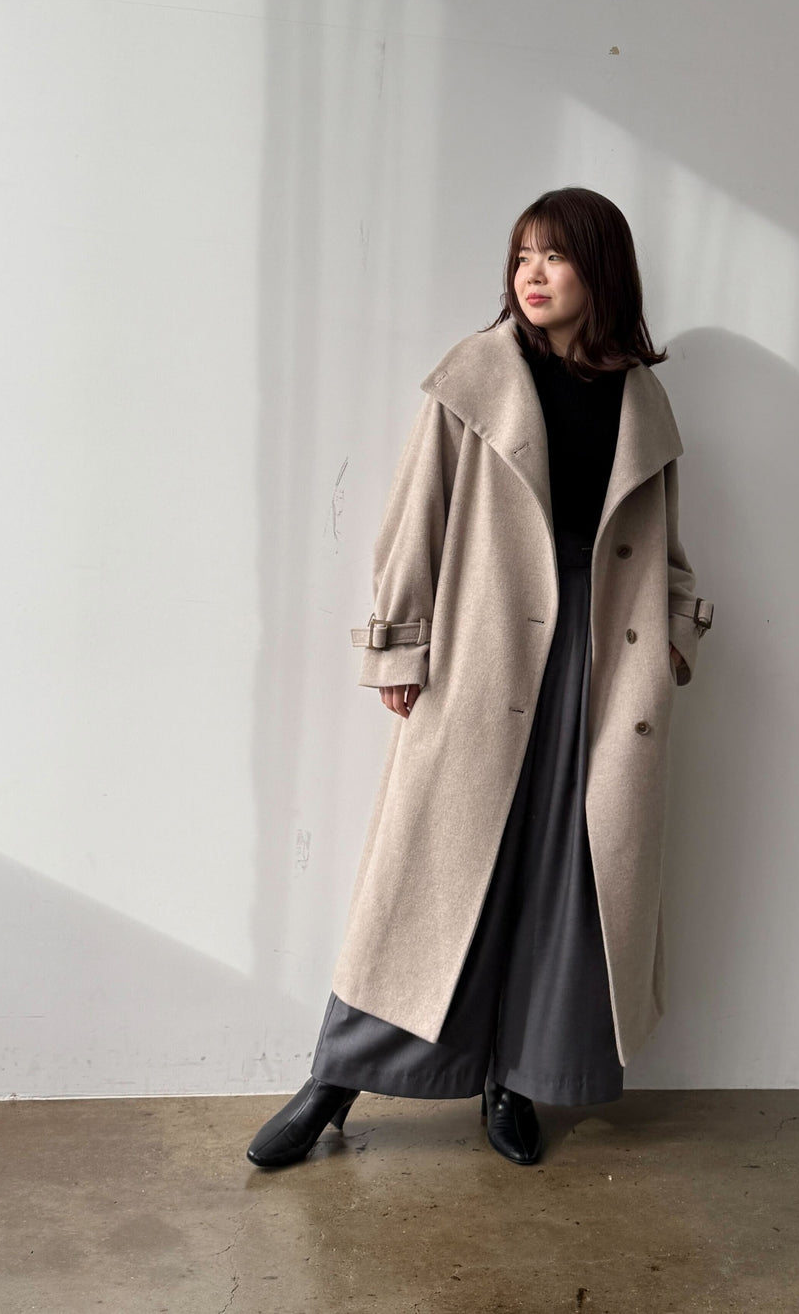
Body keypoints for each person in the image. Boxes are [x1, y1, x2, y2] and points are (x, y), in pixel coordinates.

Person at [246, 187, 714, 1169]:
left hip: (603, 662)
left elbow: (665, 543)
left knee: (567, 876)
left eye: (555, 257)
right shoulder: (476, 376)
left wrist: (674, 639)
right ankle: (334, 1080)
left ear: (601, 270)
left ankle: (515, 1076)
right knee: (434, 874)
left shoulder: (641, 399)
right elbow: (415, 517)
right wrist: (400, 645)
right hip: (486, 644)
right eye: (521, 256)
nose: (532, 276)